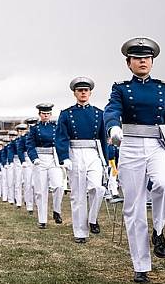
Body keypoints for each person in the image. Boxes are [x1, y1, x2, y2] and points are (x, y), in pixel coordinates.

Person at [104, 37, 165, 283]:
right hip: (131, 146)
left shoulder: (163, 88)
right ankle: (141, 266)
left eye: (146, 58)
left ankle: (158, 231)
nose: (142, 62)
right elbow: (112, 109)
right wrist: (113, 128)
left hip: (158, 145)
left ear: (152, 61)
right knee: (134, 207)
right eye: (137, 58)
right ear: (129, 63)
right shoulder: (121, 88)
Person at [55, 77, 107, 243]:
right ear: (75, 93)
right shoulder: (66, 114)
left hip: (93, 153)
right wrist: (64, 157)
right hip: (75, 153)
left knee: (97, 188)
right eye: (80, 90)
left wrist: (106, 161)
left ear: (90, 92)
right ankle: (80, 232)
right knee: (77, 195)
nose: (83, 92)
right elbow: (61, 137)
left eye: (86, 90)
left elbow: (103, 140)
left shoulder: (99, 113)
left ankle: (92, 218)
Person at [26, 104, 63, 229]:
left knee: (58, 185)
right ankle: (42, 220)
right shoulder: (34, 129)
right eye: (43, 113)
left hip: (54, 158)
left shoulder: (56, 127)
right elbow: (29, 145)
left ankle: (57, 210)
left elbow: (62, 141)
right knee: (40, 191)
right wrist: (34, 158)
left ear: (50, 114)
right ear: (39, 114)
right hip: (40, 159)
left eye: (48, 113)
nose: (46, 115)